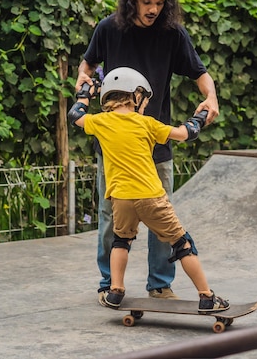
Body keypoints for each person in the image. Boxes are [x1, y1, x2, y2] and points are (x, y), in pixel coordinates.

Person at [75, 0, 220, 303]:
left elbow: (201, 74)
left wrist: (210, 97)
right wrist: (83, 82)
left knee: (161, 215)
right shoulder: (108, 29)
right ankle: (109, 285)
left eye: (159, 2)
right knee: (111, 215)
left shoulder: (172, 34)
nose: (153, 8)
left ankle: (160, 284)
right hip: (114, 146)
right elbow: (87, 66)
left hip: (156, 139)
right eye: (146, 1)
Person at [69, 66, 229, 312]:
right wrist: (199, 118)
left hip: (120, 199)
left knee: (121, 241)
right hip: (151, 197)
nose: (145, 105)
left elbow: (76, 114)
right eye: (143, 99)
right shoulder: (147, 123)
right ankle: (206, 296)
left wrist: (85, 93)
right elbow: (184, 134)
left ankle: (115, 291)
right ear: (135, 95)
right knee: (182, 244)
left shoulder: (100, 122)